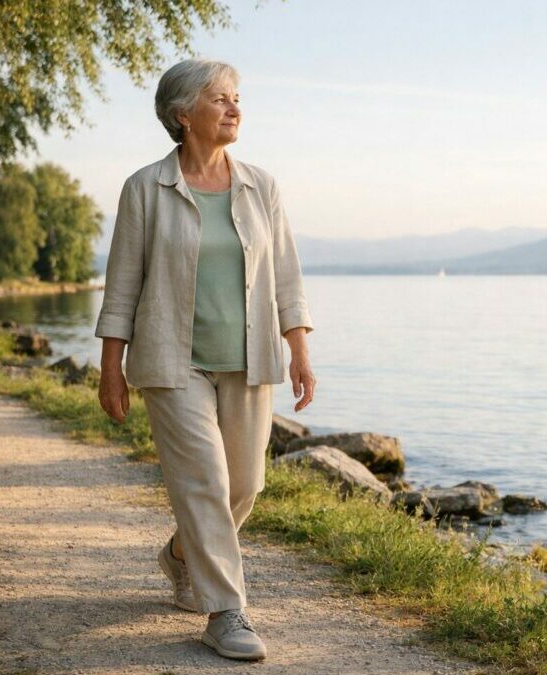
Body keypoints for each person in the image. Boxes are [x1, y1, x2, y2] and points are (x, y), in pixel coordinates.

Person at [95, 58, 317, 662]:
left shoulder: (261, 186)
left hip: (248, 358)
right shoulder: (146, 188)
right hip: (173, 362)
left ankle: (179, 555)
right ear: (182, 114)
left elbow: (287, 276)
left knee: (245, 485)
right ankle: (226, 612)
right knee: (206, 483)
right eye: (220, 98)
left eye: (237, 97)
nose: (235, 107)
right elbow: (122, 285)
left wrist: (298, 346)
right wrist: (110, 367)